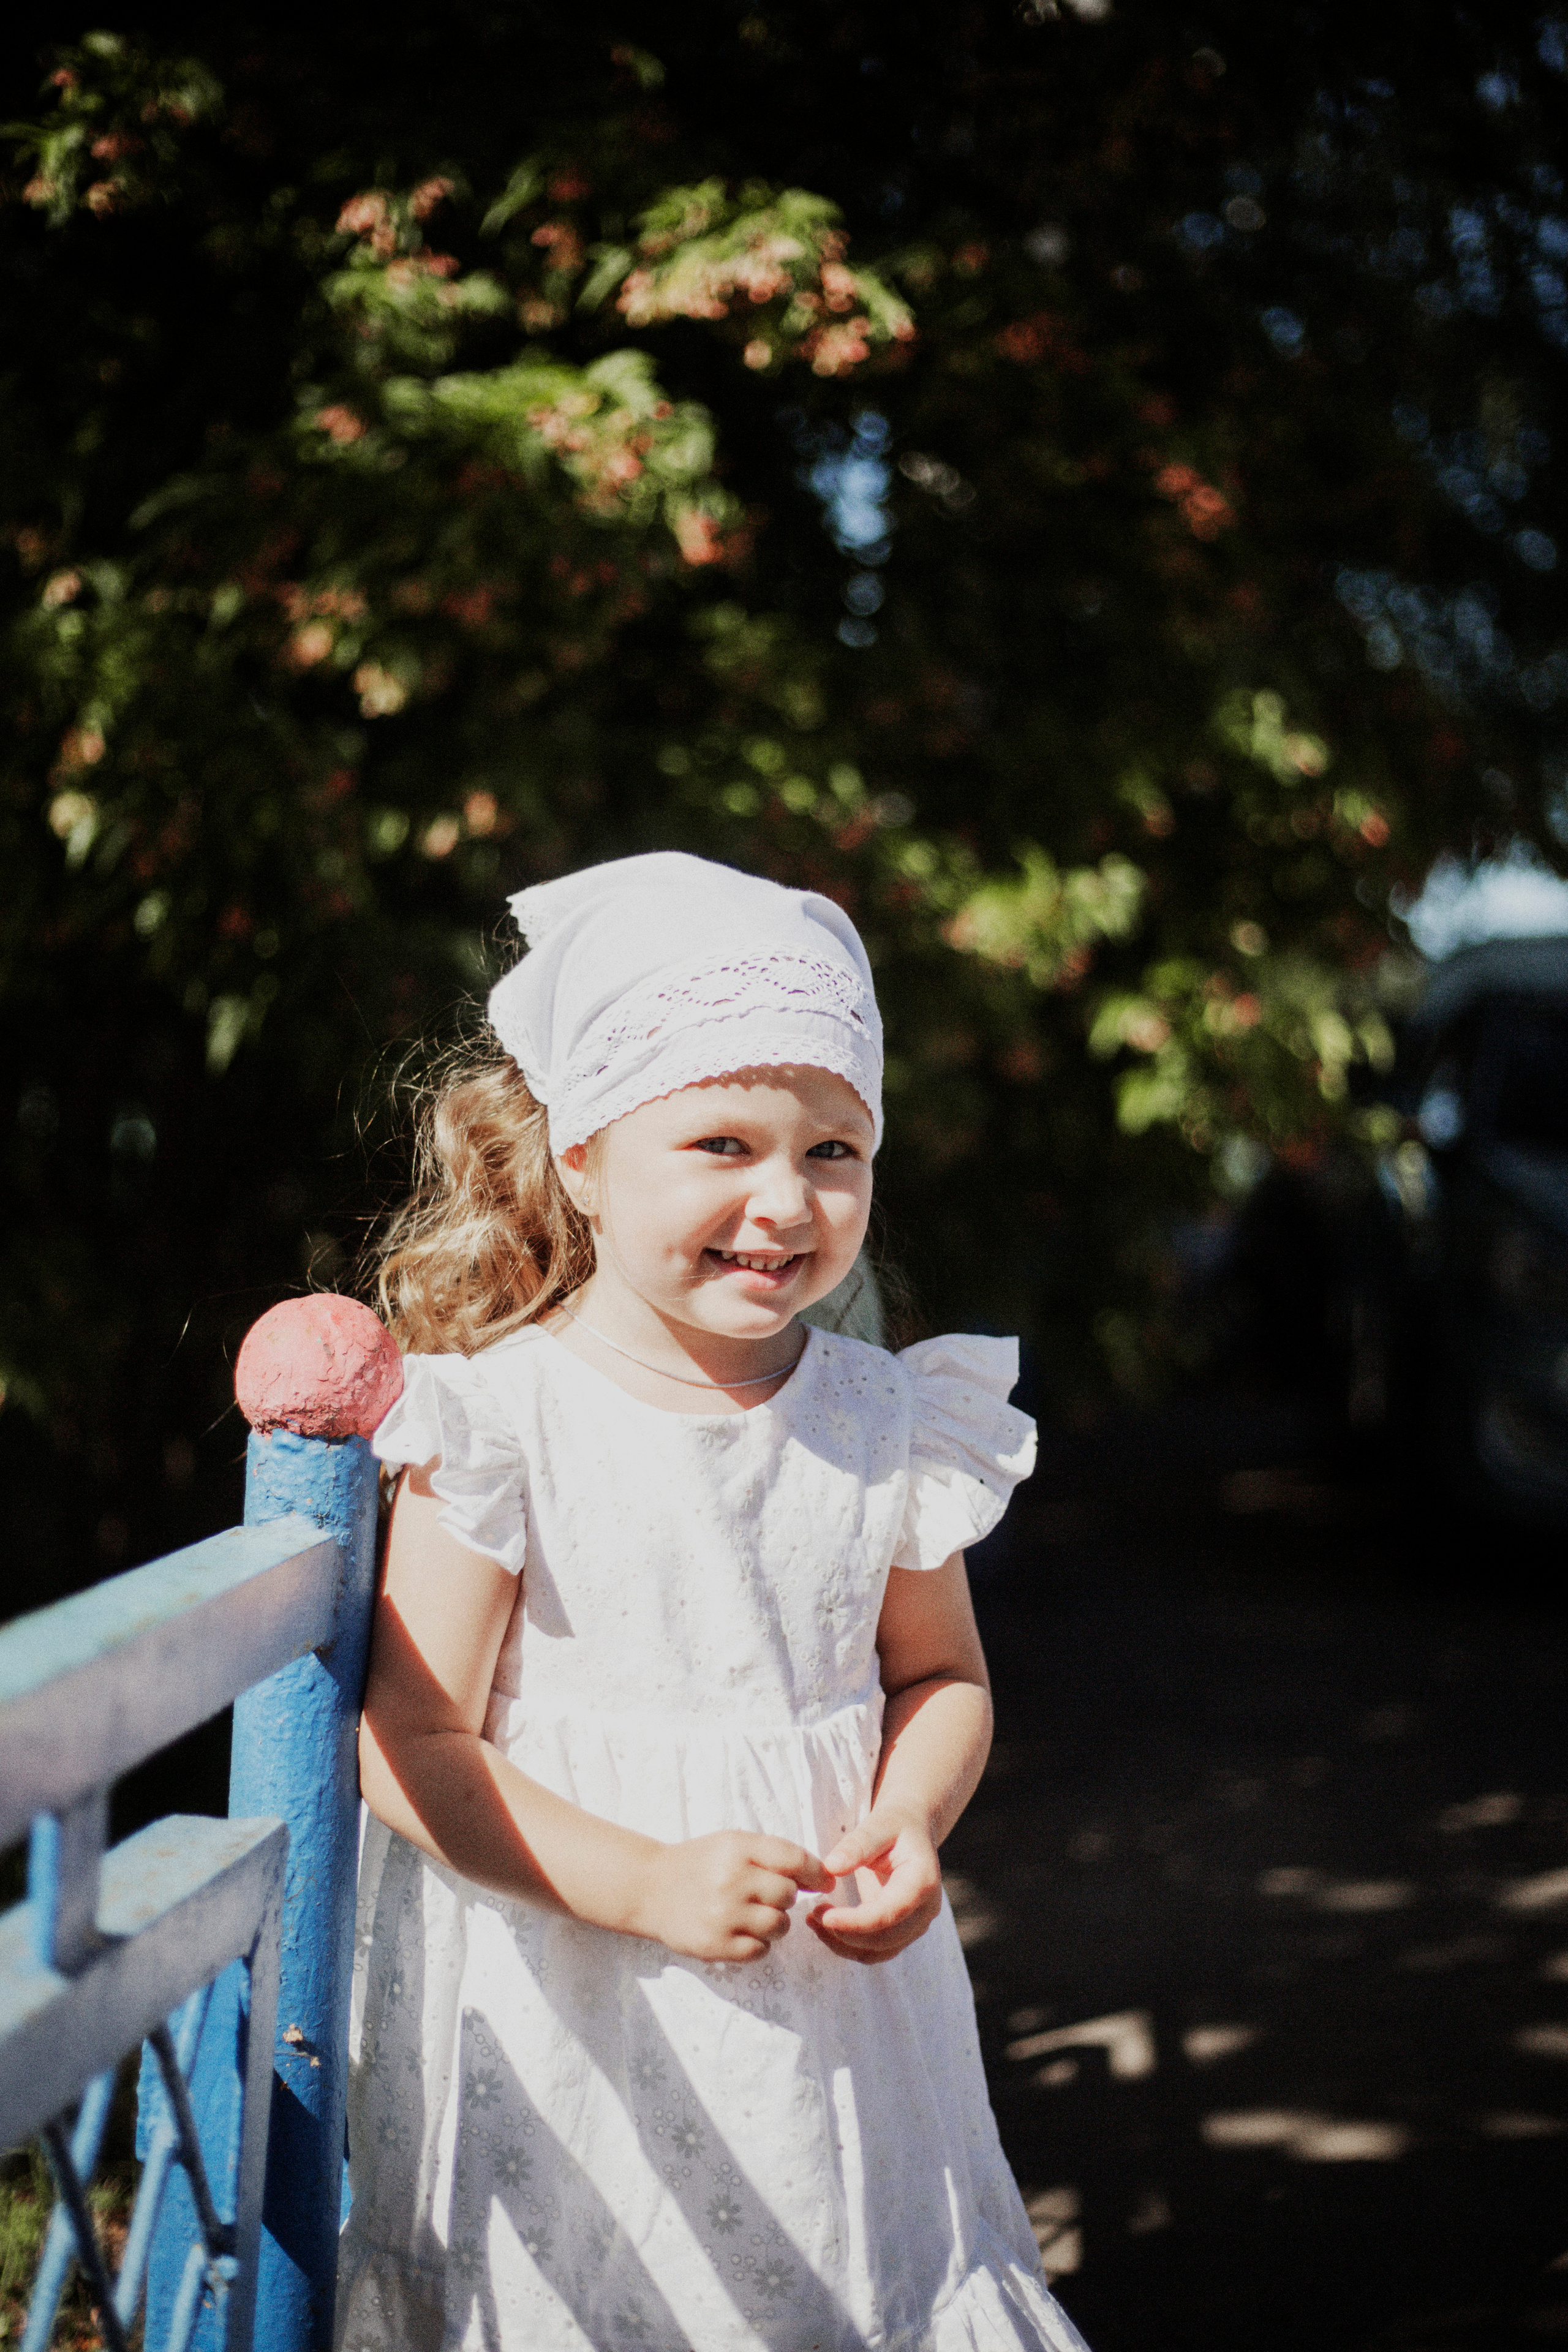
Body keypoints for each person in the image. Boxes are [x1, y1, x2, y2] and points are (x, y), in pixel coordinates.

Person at [336, 852, 1090, 2352]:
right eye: (722, 1142)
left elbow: (942, 1677)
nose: (782, 1197)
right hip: (572, 1987)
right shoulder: (502, 1425)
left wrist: (907, 1818)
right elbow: (410, 1738)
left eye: (833, 1152)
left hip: (829, 2007)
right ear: (582, 1160)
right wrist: (638, 1884)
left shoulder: (885, 1419)